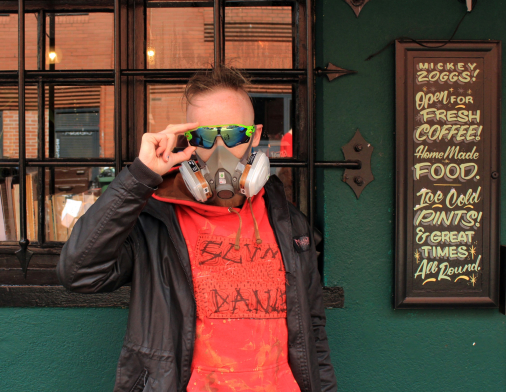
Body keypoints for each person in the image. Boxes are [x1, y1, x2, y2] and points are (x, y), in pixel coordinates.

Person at [57, 65, 337, 392]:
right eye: (204, 136)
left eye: (232, 135)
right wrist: (140, 177)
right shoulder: (155, 221)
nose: (219, 151)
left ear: (255, 135)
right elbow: (78, 273)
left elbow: (312, 333)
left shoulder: (290, 224)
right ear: (188, 141)